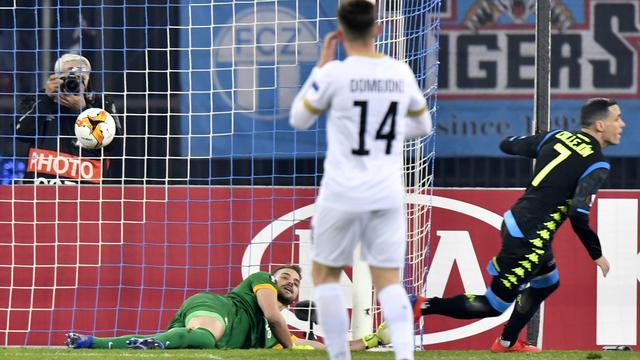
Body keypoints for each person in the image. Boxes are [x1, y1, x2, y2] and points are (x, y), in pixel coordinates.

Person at [411, 98, 625, 352]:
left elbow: (509, 145)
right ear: (600, 125)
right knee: (493, 305)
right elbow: (578, 212)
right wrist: (596, 253)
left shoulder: (557, 136)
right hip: (531, 235)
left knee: (547, 282)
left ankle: (507, 342)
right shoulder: (597, 162)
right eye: (617, 118)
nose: (622, 124)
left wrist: (537, 139)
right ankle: (421, 305)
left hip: (519, 221)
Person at [289, 1, 433, 359]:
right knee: (389, 284)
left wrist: (321, 66)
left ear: (339, 31)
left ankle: (340, 357)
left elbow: (299, 118)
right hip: (385, 191)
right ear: (378, 30)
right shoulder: (399, 72)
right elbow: (423, 126)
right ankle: (405, 356)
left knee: (326, 277)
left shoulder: (335, 74)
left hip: (341, 192)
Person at [66, 265, 302, 349]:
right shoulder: (263, 280)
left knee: (197, 342)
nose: (290, 282)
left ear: (297, 298)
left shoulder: (278, 339)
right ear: (273, 278)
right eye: (285, 276)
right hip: (217, 309)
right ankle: (94, 342)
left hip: (192, 332)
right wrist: (291, 348)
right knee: (206, 337)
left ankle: (89, 342)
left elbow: (305, 345)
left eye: (296, 282)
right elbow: (272, 316)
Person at [15, 53, 122, 184]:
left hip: (88, 194)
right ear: (56, 77)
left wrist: (83, 110)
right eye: (69, 75)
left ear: (88, 79)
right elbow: (21, 133)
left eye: (81, 76)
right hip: (41, 191)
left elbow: (113, 144)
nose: (74, 81)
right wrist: (46, 98)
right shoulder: (40, 98)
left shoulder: (101, 104)